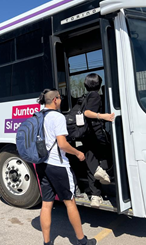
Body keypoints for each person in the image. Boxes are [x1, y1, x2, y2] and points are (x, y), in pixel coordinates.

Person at [35, 89, 97, 245]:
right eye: (59, 98)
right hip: (58, 165)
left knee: (46, 205)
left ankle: (47, 242)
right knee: (70, 203)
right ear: (55, 100)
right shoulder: (57, 117)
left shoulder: (38, 116)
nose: (61, 100)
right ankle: (81, 241)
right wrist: (77, 153)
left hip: (42, 165)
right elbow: (62, 144)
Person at [83, 73, 115, 208]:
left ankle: (95, 196)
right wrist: (104, 116)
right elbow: (87, 113)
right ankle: (102, 172)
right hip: (96, 133)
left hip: (86, 134)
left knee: (91, 163)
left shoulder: (85, 97)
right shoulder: (95, 96)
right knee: (106, 156)